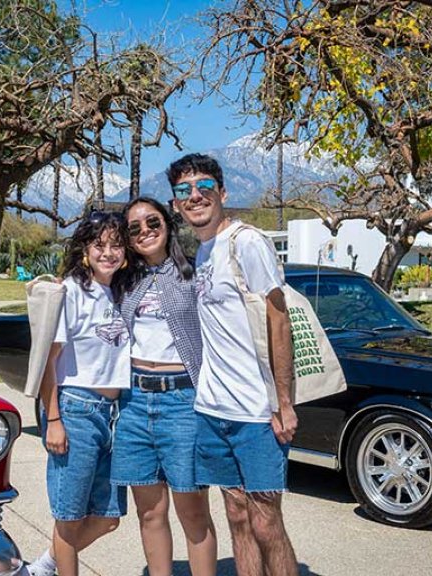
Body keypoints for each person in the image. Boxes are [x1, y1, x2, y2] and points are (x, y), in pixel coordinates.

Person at [167, 153, 300, 576]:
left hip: (256, 413)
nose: (195, 196)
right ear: (176, 204)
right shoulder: (202, 252)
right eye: (184, 191)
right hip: (212, 410)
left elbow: (279, 319)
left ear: (222, 193)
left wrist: (283, 401)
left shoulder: (247, 242)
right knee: (237, 516)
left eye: (204, 187)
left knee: (266, 520)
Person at [111, 197, 217, 576]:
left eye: (152, 222)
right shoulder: (124, 280)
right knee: (150, 512)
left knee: (193, 512)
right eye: (134, 228)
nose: (144, 232)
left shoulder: (194, 273)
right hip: (135, 403)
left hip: (183, 400)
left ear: (168, 225)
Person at [28, 211, 132, 576]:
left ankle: (41, 567)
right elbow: (47, 362)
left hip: (114, 414)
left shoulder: (120, 291)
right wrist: (53, 418)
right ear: (84, 249)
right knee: (69, 519)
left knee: (107, 518)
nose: (108, 253)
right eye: (99, 245)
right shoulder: (70, 291)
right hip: (76, 410)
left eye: (116, 245)